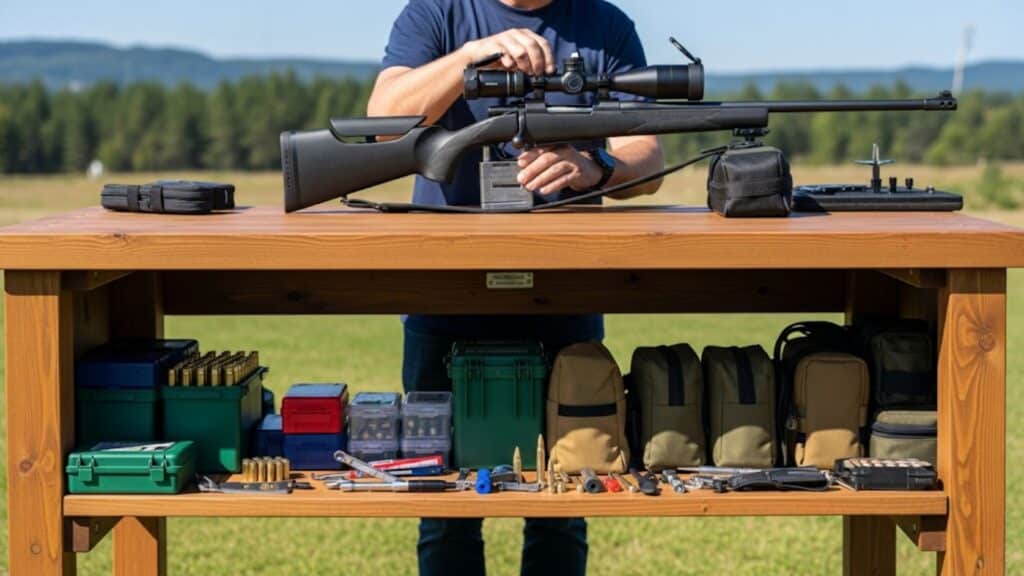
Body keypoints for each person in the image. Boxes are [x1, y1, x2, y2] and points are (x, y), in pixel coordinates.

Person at [367, 1, 664, 574]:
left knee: (565, 500)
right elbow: (384, 119)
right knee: (445, 507)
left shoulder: (607, 26)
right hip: (444, 295)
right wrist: (470, 59)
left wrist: (594, 168)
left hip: (564, 297)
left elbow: (647, 154)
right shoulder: (436, 13)